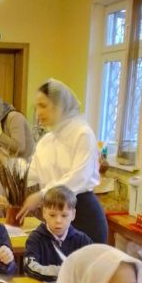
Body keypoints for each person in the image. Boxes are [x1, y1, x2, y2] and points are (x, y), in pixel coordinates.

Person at [18, 79, 108, 243]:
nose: (38, 113)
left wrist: (42, 194)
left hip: (82, 215)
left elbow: (79, 177)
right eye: (36, 107)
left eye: (43, 106)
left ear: (60, 105)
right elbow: (30, 175)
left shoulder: (82, 134)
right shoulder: (46, 141)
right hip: (55, 218)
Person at [24, 186, 92, 282]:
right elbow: (29, 267)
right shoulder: (35, 238)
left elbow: (94, 265)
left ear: (73, 214)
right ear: (44, 213)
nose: (58, 220)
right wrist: (61, 272)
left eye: (64, 215)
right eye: (52, 215)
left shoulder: (82, 239)